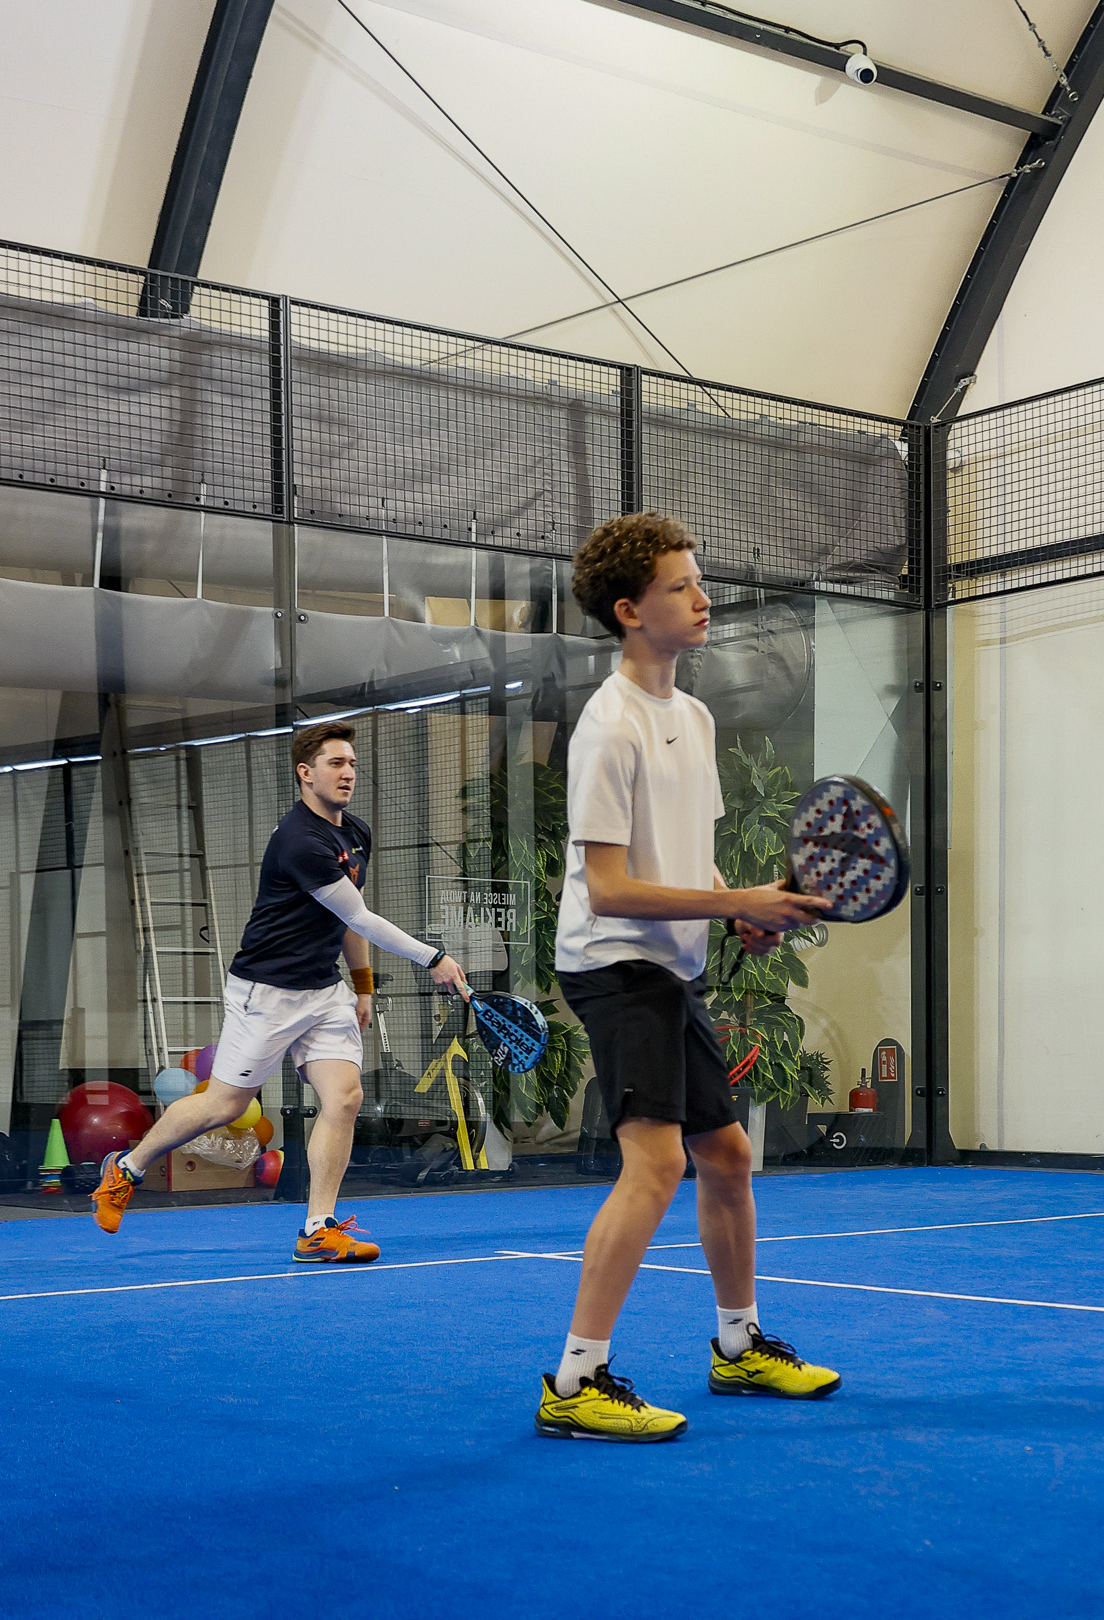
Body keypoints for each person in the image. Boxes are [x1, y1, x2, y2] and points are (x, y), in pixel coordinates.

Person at [537, 511, 839, 1442]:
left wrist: (737, 909)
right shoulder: (608, 727)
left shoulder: (693, 717)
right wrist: (734, 899)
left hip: (669, 965)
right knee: (659, 1161)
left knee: (727, 1155)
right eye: (680, 587)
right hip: (613, 964)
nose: (703, 599)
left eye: (698, 581)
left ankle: (738, 1347)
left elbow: (684, 854)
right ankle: (574, 1381)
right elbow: (609, 887)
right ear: (630, 611)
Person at [91, 723, 467, 1259]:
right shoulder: (299, 841)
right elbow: (361, 916)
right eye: (336, 763)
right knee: (224, 1104)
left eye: (352, 763)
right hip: (265, 993)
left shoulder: (355, 833)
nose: (348, 773)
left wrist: (361, 986)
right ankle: (126, 1169)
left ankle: (317, 1228)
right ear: (305, 773)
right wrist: (434, 957)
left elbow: (348, 920)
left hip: (323, 991)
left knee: (345, 1097)